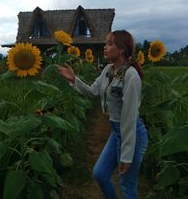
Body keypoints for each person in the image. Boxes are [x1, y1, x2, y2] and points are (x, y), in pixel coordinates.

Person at [56, 30, 148, 199]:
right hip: (116, 132)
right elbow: (93, 91)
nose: (105, 47)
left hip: (132, 134)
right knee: (100, 174)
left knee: (127, 185)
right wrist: (73, 79)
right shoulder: (108, 70)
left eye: (109, 44)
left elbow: (128, 119)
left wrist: (127, 155)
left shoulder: (131, 76)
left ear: (121, 49)